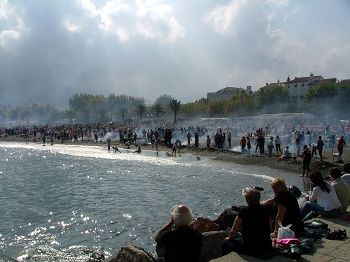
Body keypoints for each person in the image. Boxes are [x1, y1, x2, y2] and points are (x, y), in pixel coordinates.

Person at [222, 189, 272, 259]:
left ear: (247, 200)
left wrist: (229, 238)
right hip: (266, 246)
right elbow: (270, 229)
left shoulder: (243, 211)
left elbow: (234, 230)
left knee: (225, 243)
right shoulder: (266, 210)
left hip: (250, 248)